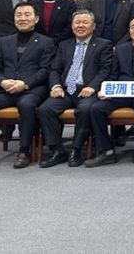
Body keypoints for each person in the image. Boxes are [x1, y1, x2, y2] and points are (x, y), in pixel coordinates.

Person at [39, 10, 113, 168]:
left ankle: (76, 150)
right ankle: (57, 150)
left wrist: (92, 87)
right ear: (72, 26)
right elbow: (55, 69)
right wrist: (56, 86)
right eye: (77, 22)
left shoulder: (103, 44)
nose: (81, 26)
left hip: (87, 91)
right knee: (46, 109)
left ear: (93, 26)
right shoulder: (64, 45)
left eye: (85, 22)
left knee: (85, 110)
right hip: (65, 90)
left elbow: (105, 70)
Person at [85, 15, 134, 168]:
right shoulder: (120, 49)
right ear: (129, 30)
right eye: (133, 27)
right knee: (96, 108)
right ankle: (106, 151)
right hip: (121, 92)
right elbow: (112, 75)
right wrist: (105, 89)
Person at [0, 3, 55, 168]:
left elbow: (46, 70)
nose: (22, 18)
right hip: (6, 88)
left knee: (27, 105)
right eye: (19, 15)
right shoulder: (3, 41)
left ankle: (24, 151)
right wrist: (2, 81)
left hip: (32, 89)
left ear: (36, 19)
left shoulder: (46, 42)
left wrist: (25, 84)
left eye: (27, 14)